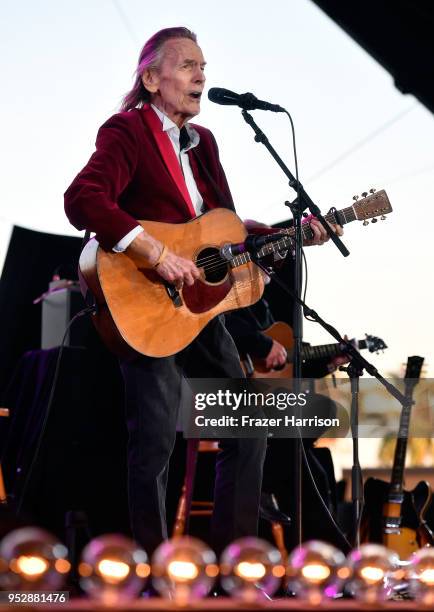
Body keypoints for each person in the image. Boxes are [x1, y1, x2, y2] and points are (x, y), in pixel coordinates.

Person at [64, 27, 335, 556]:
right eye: (188, 66)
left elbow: (223, 234)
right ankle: (155, 573)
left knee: (249, 425)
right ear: (151, 78)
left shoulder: (205, 142)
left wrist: (291, 233)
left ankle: (235, 566)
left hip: (203, 313)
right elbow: (83, 199)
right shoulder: (128, 131)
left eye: (203, 66)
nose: (202, 76)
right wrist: (155, 253)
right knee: (156, 443)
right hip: (144, 304)